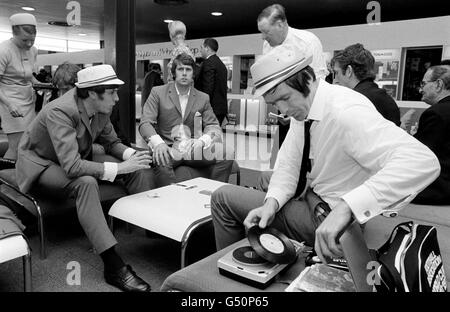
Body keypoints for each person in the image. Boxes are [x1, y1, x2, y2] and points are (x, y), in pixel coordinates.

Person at [210, 44, 440, 263]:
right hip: (317, 200)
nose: (284, 111)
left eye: (285, 98)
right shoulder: (307, 107)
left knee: (222, 197)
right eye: (274, 103)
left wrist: (346, 208)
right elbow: (290, 166)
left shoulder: (345, 112)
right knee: (268, 183)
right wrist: (270, 204)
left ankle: (224, 278)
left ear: (308, 79)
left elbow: (422, 161)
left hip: (331, 219)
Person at [16, 64, 155, 292]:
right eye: (112, 93)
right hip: (41, 163)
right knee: (86, 183)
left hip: (69, 158)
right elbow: (71, 166)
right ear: (92, 93)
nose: (117, 99)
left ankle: (154, 227)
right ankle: (113, 266)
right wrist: (119, 169)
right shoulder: (59, 110)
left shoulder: (101, 109)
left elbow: (112, 142)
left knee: (135, 168)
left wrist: (133, 156)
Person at [256, 4, 329, 190]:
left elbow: (317, 85)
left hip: (306, 112)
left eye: (266, 32)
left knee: (306, 155)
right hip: (284, 114)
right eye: (261, 33)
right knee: (282, 159)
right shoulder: (267, 45)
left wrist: (298, 112)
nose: (263, 37)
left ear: (280, 24)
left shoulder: (308, 42)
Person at [139, 53, 234, 187]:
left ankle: (213, 194)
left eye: (188, 70)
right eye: (180, 69)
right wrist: (158, 144)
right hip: (169, 148)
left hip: (193, 148)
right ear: (174, 73)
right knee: (162, 158)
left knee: (227, 153)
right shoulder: (158, 92)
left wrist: (202, 141)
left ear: (193, 74)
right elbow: (145, 123)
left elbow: (213, 126)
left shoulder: (203, 97)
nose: (184, 73)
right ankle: (169, 200)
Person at [0, 13, 42, 160]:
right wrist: (10, 104)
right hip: (9, 101)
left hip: (28, 100)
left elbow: (28, 75)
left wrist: (41, 84)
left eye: (32, 40)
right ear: (13, 33)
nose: (29, 44)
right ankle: (5, 178)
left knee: (27, 144)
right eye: (25, 40)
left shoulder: (33, 50)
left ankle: (21, 175)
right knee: (17, 146)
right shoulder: (3, 50)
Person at [331, 43, 401, 126]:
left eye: (337, 73)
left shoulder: (354, 101)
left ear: (349, 71)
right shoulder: (388, 100)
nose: (335, 80)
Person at [411, 65, 450, 205]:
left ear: (439, 84)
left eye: (423, 84)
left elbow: (421, 156)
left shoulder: (436, 113)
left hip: (438, 190)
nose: (420, 89)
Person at [195, 38, 228, 125]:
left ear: (207, 48)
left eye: (201, 47)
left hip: (210, 110)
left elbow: (208, 88)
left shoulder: (208, 63)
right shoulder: (221, 65)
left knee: (204, 136)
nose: (200, 50)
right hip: (220, 109)